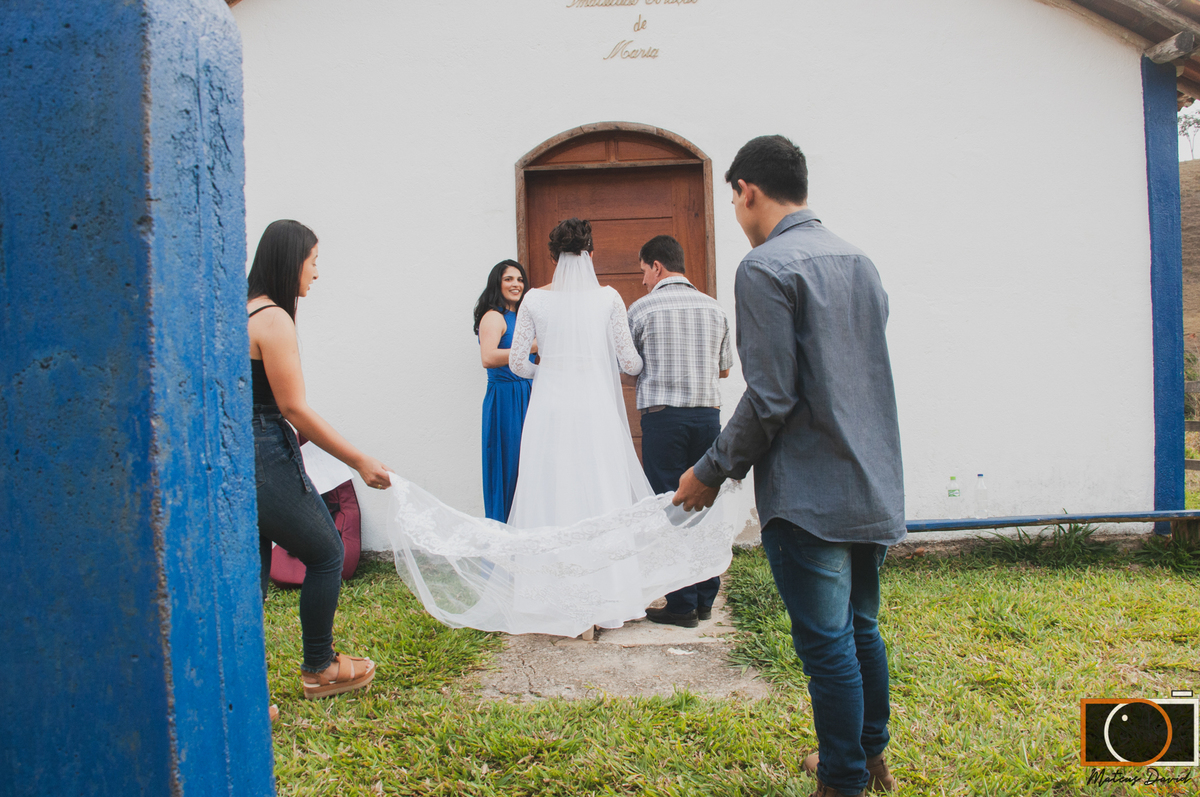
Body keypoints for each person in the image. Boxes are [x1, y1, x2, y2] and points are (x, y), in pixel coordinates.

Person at [673, 136, 906, 797]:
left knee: (827, 644)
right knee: (862, 626)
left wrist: (710, 469)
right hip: (873, 481)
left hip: (810, 491)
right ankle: (869, 758)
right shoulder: (858, 260)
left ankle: (842, 779)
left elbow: (772, 395)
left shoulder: (765, 267)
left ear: (746, 189)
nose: (737, 211)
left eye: (734, 198)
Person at [247, 219, 392, 700]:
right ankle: (320, 666)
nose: (316, 272)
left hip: (238, 452)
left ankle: (246, 694)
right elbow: (292, 408)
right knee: (327, 552)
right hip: (263, 450)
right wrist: (359, 460)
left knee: (253, 573)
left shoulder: (240, 312)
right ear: (291, 261)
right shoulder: (272, 318)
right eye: (313, 261)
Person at [627, 235, 732, 628]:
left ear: (656, 266)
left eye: (642, 272)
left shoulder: (641, 309)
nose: (642, 281)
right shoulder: (714, 308)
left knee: (671, 506)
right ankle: (705, 598)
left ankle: (682, 603)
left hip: (664, 419)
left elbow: (630, 366)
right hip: (707, 418)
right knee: (704, 503)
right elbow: (724, 368)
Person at [473, 259, 533, 522]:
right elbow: (488, 357)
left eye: (520, 279)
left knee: (530, 465)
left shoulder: (522, 316)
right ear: (497, 282)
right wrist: (531, 348)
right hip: (506, 399)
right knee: (508, 466)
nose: (516, 284)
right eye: (509, 279)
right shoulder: (493, 316)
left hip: (529, 395)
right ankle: (505, 530)